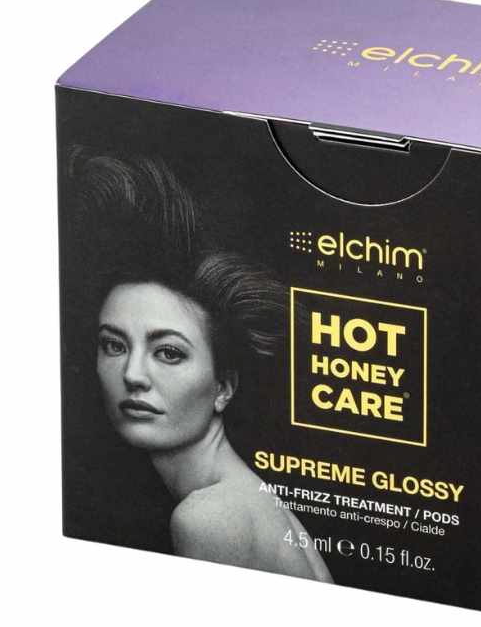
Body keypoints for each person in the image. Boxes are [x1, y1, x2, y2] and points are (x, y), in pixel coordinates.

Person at [69, 150, 332, 583]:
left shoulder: (208, 517)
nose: (132, 375)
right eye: (114, 345)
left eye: (169, 353)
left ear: (223, 387)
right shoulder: (247, 498)